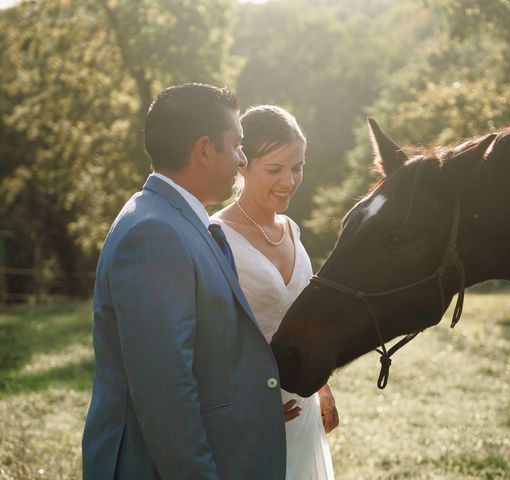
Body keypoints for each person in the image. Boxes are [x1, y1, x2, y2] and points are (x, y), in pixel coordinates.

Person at [82, 84, 291, 479]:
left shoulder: (175, 219)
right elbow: (165, 392)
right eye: (237, 144)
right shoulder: (154, 234)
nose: (242, 158)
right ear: (203, 150)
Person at [212, 105, 337, 480]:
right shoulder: (215, 237)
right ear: (242, 164)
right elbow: (210, 336)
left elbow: (305, 321)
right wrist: (248, 401)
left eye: (297, 167)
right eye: (274, 169)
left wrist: (323, 387)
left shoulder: (292, 231)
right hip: (246, 413)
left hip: (302, 404)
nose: (289, 181)